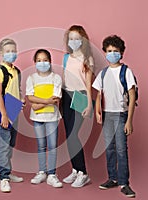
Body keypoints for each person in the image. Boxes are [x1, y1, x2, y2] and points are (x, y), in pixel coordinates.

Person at [92, 35, 136, 198]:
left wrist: (129, 120)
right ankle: (112, 178)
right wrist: (97, 110)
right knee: (109, 148)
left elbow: (132, 97)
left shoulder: (126, 72)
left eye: (115, 51)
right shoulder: (103, 73)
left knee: (121, 149)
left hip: (120, 114)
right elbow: (98, 92)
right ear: (105, 53)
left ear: (121, 53)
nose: (112, 54)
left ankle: (124, 183)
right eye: (109, 51)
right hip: (107, 115)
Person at [61, 25, 94, 187]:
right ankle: (75, 169)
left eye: (77, 39)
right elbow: (65, 78)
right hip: (66, 95)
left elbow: (88, 85)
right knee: (68, 135)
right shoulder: (66, 58)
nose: (73, 41)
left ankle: (83, 172)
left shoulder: (87, 59)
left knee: (73, 134)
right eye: (71, 38)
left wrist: (88, 104)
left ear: (83, 40)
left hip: (80, 96)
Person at [26, 49, 63, 188]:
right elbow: (30, 97)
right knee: (41, 146)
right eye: (39, 60)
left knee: (52, 146)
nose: (42, 63)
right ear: (35, 63)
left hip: (52, 117)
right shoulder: (31, 78)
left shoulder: (56, 78)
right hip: (37, 118)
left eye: (45, 60)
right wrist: (46, 102)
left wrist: (37, 104)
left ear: (50, 61)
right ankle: (42, 172)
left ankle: (52, 174)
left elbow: (55, 99)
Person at [0, 38, 24, 193]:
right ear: (1, 53)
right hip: (3, 111)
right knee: (4, 145)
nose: (11, 54)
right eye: (7, 51)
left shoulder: (16, 71)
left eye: (13, 51)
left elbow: (16, 89)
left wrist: (20, 100)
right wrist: (4, 115)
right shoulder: (0, 71)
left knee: (11, 143)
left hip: (14, 109)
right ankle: (3, 178)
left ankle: (8, 173)